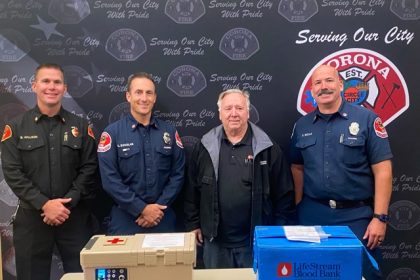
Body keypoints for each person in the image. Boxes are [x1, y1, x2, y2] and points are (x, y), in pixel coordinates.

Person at [289, 65, 393, 279]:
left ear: (341, 84)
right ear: (311, 91)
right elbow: (297, 167)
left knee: (363, 275)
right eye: (317, 83)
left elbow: (383, 170)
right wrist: (299, 206)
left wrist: (380, 218)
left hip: (356, 218)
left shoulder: (367, 120)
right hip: (312, 215)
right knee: (312, 274)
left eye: (329, 81)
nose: (323, 87)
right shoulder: (302, 125)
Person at [1, 63, 98, 280]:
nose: (51, 87)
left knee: (83, 276)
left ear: (65, 88)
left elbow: (89, 168)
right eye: (45, 81)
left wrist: (67, 203)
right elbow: (12, 172)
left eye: (57, 82)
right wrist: (45, 204)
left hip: (74, 217)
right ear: (34, 85)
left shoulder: (81, 127)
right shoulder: (15, 128)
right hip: (33, 219)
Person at [184, 89, 296, 268]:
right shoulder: (204, 146)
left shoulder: (268, 148)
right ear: (220, 113)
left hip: (255, 242)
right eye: (228, 108)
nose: (234, 113)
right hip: (215, 243)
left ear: (248, 112)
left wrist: (276, 233)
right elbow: (192, 189)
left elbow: (284, 195)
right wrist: (193, 223)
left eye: (239, 108)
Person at [98, 72, 185, 235]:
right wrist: (141, 209)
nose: (144, 98)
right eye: (138, 92)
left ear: (154, 98)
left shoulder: (169, 132)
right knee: (122, 262)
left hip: (162, 217)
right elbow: (110, 180)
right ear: (128, 96)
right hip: (125, 219)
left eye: (149, 93)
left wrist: (156, 210)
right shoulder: (112, 133)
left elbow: (178, 174)